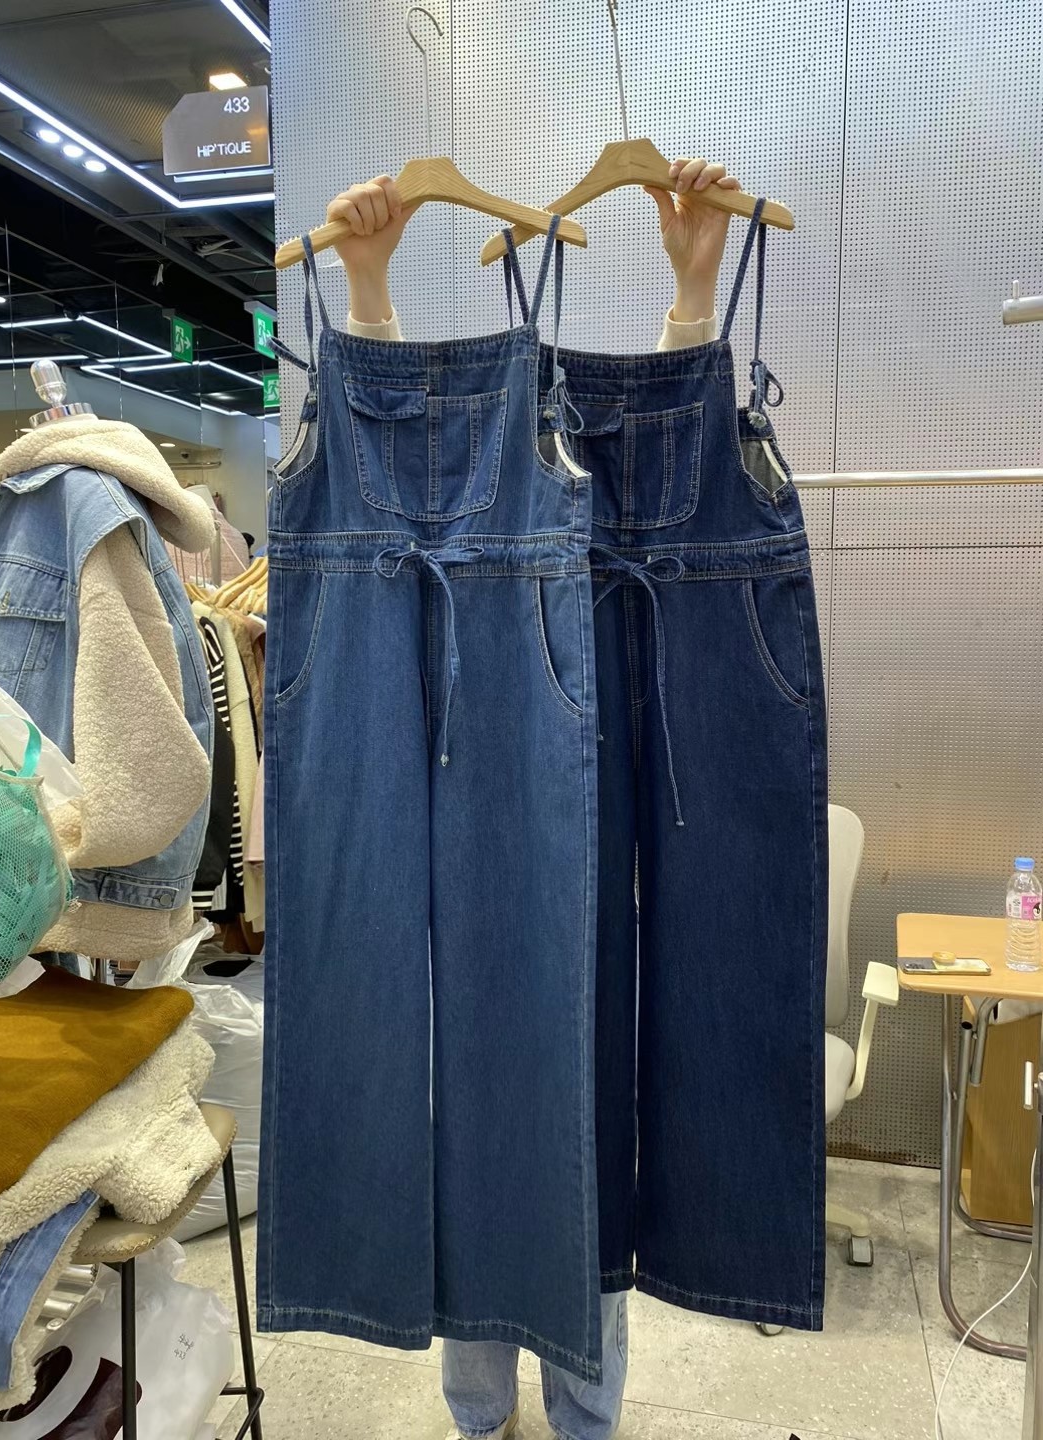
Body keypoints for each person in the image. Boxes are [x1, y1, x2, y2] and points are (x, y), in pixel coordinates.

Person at [323, 158, 742, 1440]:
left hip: (589, 806)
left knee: (578, 1112)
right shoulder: (499, 484)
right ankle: (481, 1406)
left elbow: (676, 460)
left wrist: (693, 293)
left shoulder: (616, 508)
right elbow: (402, 487)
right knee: (471, 1101)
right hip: (480, 767)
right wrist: (368, 290)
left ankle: (578, 1410)